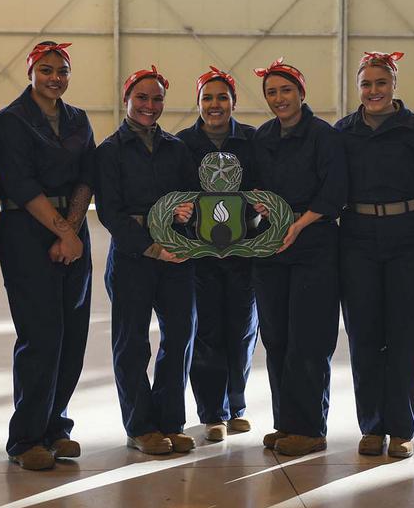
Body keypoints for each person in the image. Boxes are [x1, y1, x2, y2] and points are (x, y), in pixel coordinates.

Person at [334, 51, 414, 458]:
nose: (373, 91)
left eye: (380, 83)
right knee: (365, 336)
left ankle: (402, 428)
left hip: (409, 241)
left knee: (405, 338)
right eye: (366, 84)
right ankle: (371, 427)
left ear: (393, 85)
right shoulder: (343, 132)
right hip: (357, 243)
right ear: (358, 89)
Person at [0, 42, 95, 470]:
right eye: (47, 69)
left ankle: (56, 427)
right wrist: (61, 232)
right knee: (42, 335)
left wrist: (71, 232)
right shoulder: (11, 121)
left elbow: (89, 175)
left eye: (63, 70)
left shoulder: (78, 119)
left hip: (71, 231)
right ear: (30, 71)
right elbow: (19, 182)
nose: (55, 77)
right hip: (26, 231)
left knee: (73, 336)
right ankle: (26, 438)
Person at [94, 65, 199, 455]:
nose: (149, 105)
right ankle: (140, 426)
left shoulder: (177, 148)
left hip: (177, 258)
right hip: (134, 258)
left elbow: (192, 197)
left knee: (180, 337)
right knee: (132, 342)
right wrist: (152, 247)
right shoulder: (109, 152)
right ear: (127, 99)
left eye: (156, 99)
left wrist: (188, 215)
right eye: (142, 97)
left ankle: (171, 421)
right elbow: (110, 212)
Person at [250, 58, 347, 456]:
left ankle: (309, 428)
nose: (278, 99)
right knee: (277, 337)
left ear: (301, 93)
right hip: (271, 247)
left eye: (285, 90)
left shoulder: (324, 136)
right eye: (271, 92)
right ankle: (285, 422)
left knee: (309, 338)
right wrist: (262, 210)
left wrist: (299, 223)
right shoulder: (261, 138)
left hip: (314, 244)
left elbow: (335, 191)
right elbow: (252, 189)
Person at [176, 66, 258, 442]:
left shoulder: (252, 142)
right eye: (207, 98)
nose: (215, 104)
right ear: (198, 103)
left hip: (243, 254)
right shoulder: (182, 145)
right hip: (200, 256)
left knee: (242, 330)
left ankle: (236, 406)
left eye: (222, 97)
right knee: (207, 332)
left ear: (233, 102)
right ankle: (213, 412)